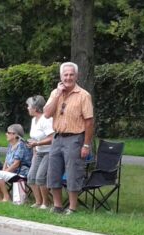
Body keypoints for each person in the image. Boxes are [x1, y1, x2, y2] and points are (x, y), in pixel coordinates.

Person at [44, 61, 94, 214]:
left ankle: (72, 207)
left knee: (73, 172)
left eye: (71, 74)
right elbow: (46, 113)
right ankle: (58, 206)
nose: (68, 77)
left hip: (75, 138)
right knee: (53, 171)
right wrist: (57, 94)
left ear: (76, 76)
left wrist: (86, 145)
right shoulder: (55, 93)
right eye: (65, 75)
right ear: (61, 76)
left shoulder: (83, 95)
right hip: (57, 138)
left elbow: (89, 121)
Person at [0, 124, 32, 203]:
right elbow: (6, 161)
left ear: (14, 135)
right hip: (11, 172)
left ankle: (6, 197)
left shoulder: (21, 145)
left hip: (21, 173)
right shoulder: (11, 145)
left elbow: (16, 164)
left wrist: (3, 173)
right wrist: (3, 171)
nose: (6, 134)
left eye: (8, 132)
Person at [25, 95, 54, 209]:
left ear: (35, 108)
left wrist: (37, 143)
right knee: (31, 177)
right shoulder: (33, 120)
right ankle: (38, 202)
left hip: (49, 152)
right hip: (38, 152)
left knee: (40, 177)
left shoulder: (46, 119)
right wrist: (34, 148)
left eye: (29, 106)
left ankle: (45, 203)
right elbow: (35, 138)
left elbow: (52, 138)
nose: (27, 108)